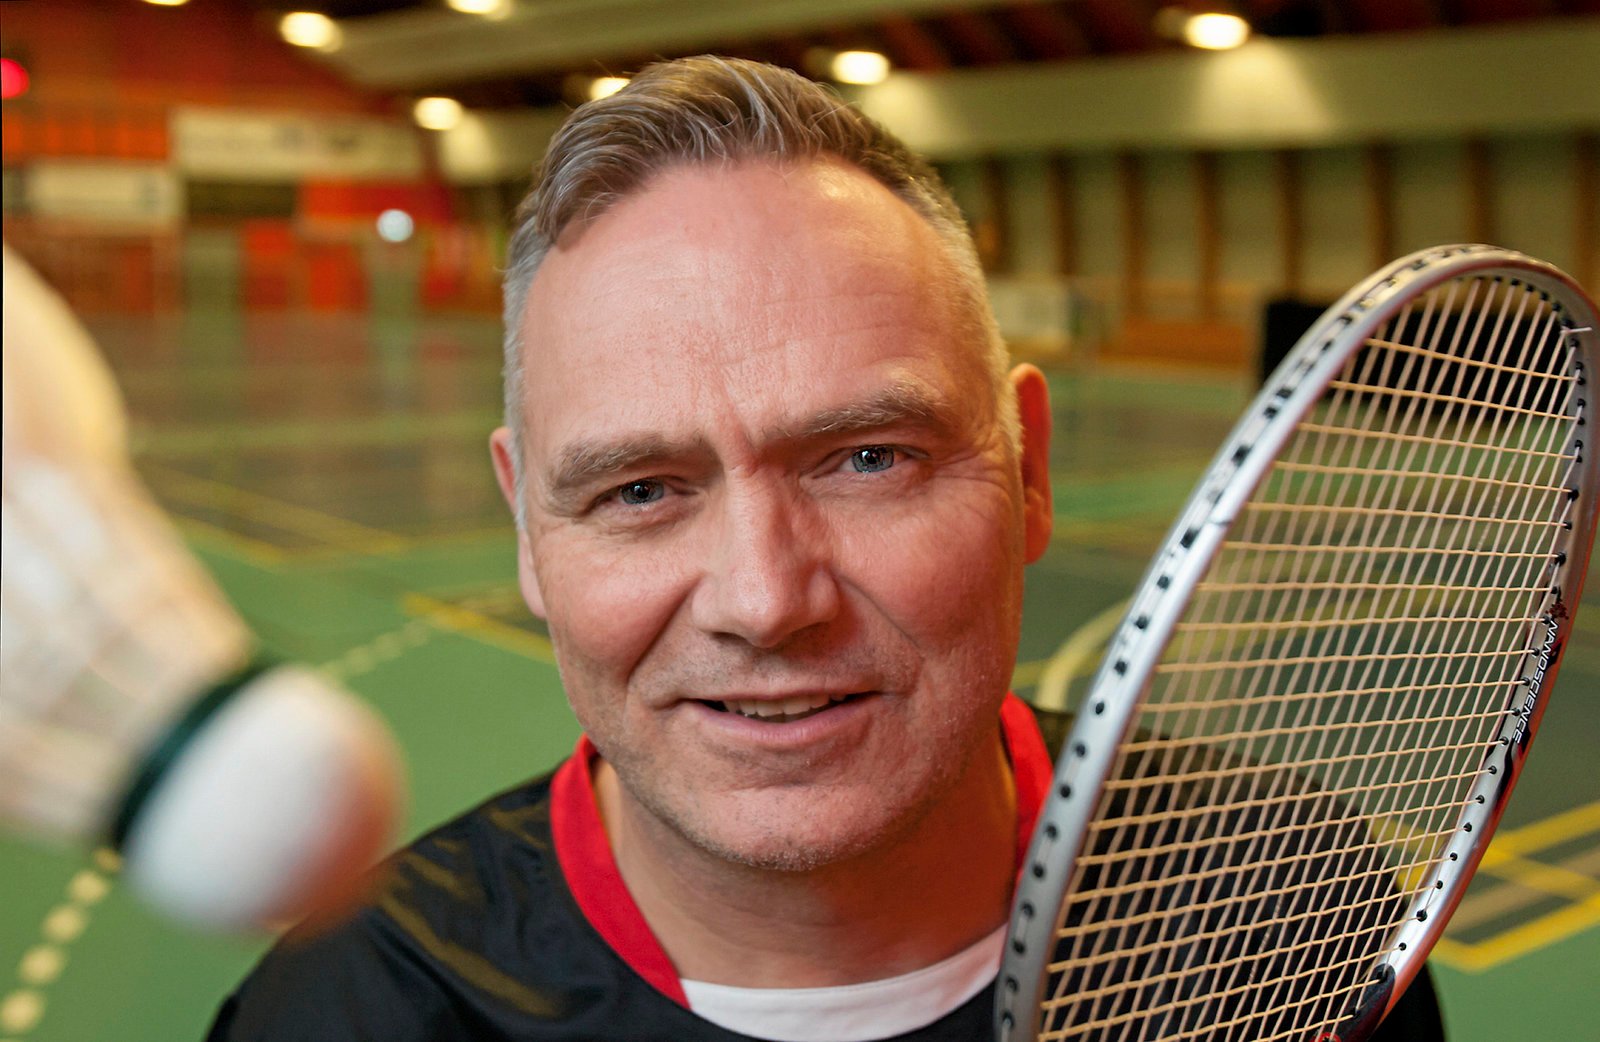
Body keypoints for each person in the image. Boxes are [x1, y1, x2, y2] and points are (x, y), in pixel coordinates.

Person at [206, 57, 1444, 1041]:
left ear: (1029, 469)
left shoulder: (1295, 913)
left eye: (867, 459)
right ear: (527, 524)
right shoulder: (348, 1012)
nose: (764, 600)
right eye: (640, 488)